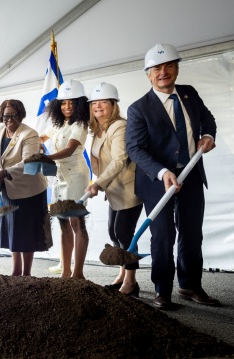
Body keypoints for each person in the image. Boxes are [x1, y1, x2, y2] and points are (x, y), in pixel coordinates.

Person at [126, 43, 219, 309]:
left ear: (176, 69)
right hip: (157, 179)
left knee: (192, 233)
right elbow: (135, 149)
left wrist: (208, 135)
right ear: (148, 75)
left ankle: (190, 286)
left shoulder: (188, 94)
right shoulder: (138, 108)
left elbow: (207, 119)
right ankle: (162, 290)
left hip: (190, 174)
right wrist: (163, 171)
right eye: (156, 68)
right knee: (163, 235)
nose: (163, 72)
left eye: (168, 66)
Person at [85, 83, 143, 297]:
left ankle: (131, 282)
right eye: (94, 103)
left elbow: (119, 160)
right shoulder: (98, 130)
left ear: (113, 105)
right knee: (114, 232)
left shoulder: (119, 126)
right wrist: (99, 182)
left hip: (128, 188)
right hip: (113, 189)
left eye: (103, 102)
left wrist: (98, 183)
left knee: (124, 233)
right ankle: (122, 275)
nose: (98, 106)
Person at [0, 99, 51, 276]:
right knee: (13, 230)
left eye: (14, 115)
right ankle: (16, 270)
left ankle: (26, 273)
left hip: (29, 190)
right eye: (6, 115)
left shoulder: (30, 134)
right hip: (8, 189)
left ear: (21, 115)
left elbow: (29, 162)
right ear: (1, 116)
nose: (10, 119)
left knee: (27, 233)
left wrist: (6, 171)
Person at [41, 79, 91, 279]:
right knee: (63, 223)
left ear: (79, 104)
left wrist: (44, 157)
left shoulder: (80, 123)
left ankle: (78, 273)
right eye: (63, 102)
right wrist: (30, 143)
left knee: (77, 223)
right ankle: (65, 271)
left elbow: (69, 149)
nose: (67, 106)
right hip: (59, 177)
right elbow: (41, 137)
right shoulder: (58, 124)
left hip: (76, 176)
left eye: (72, 102)